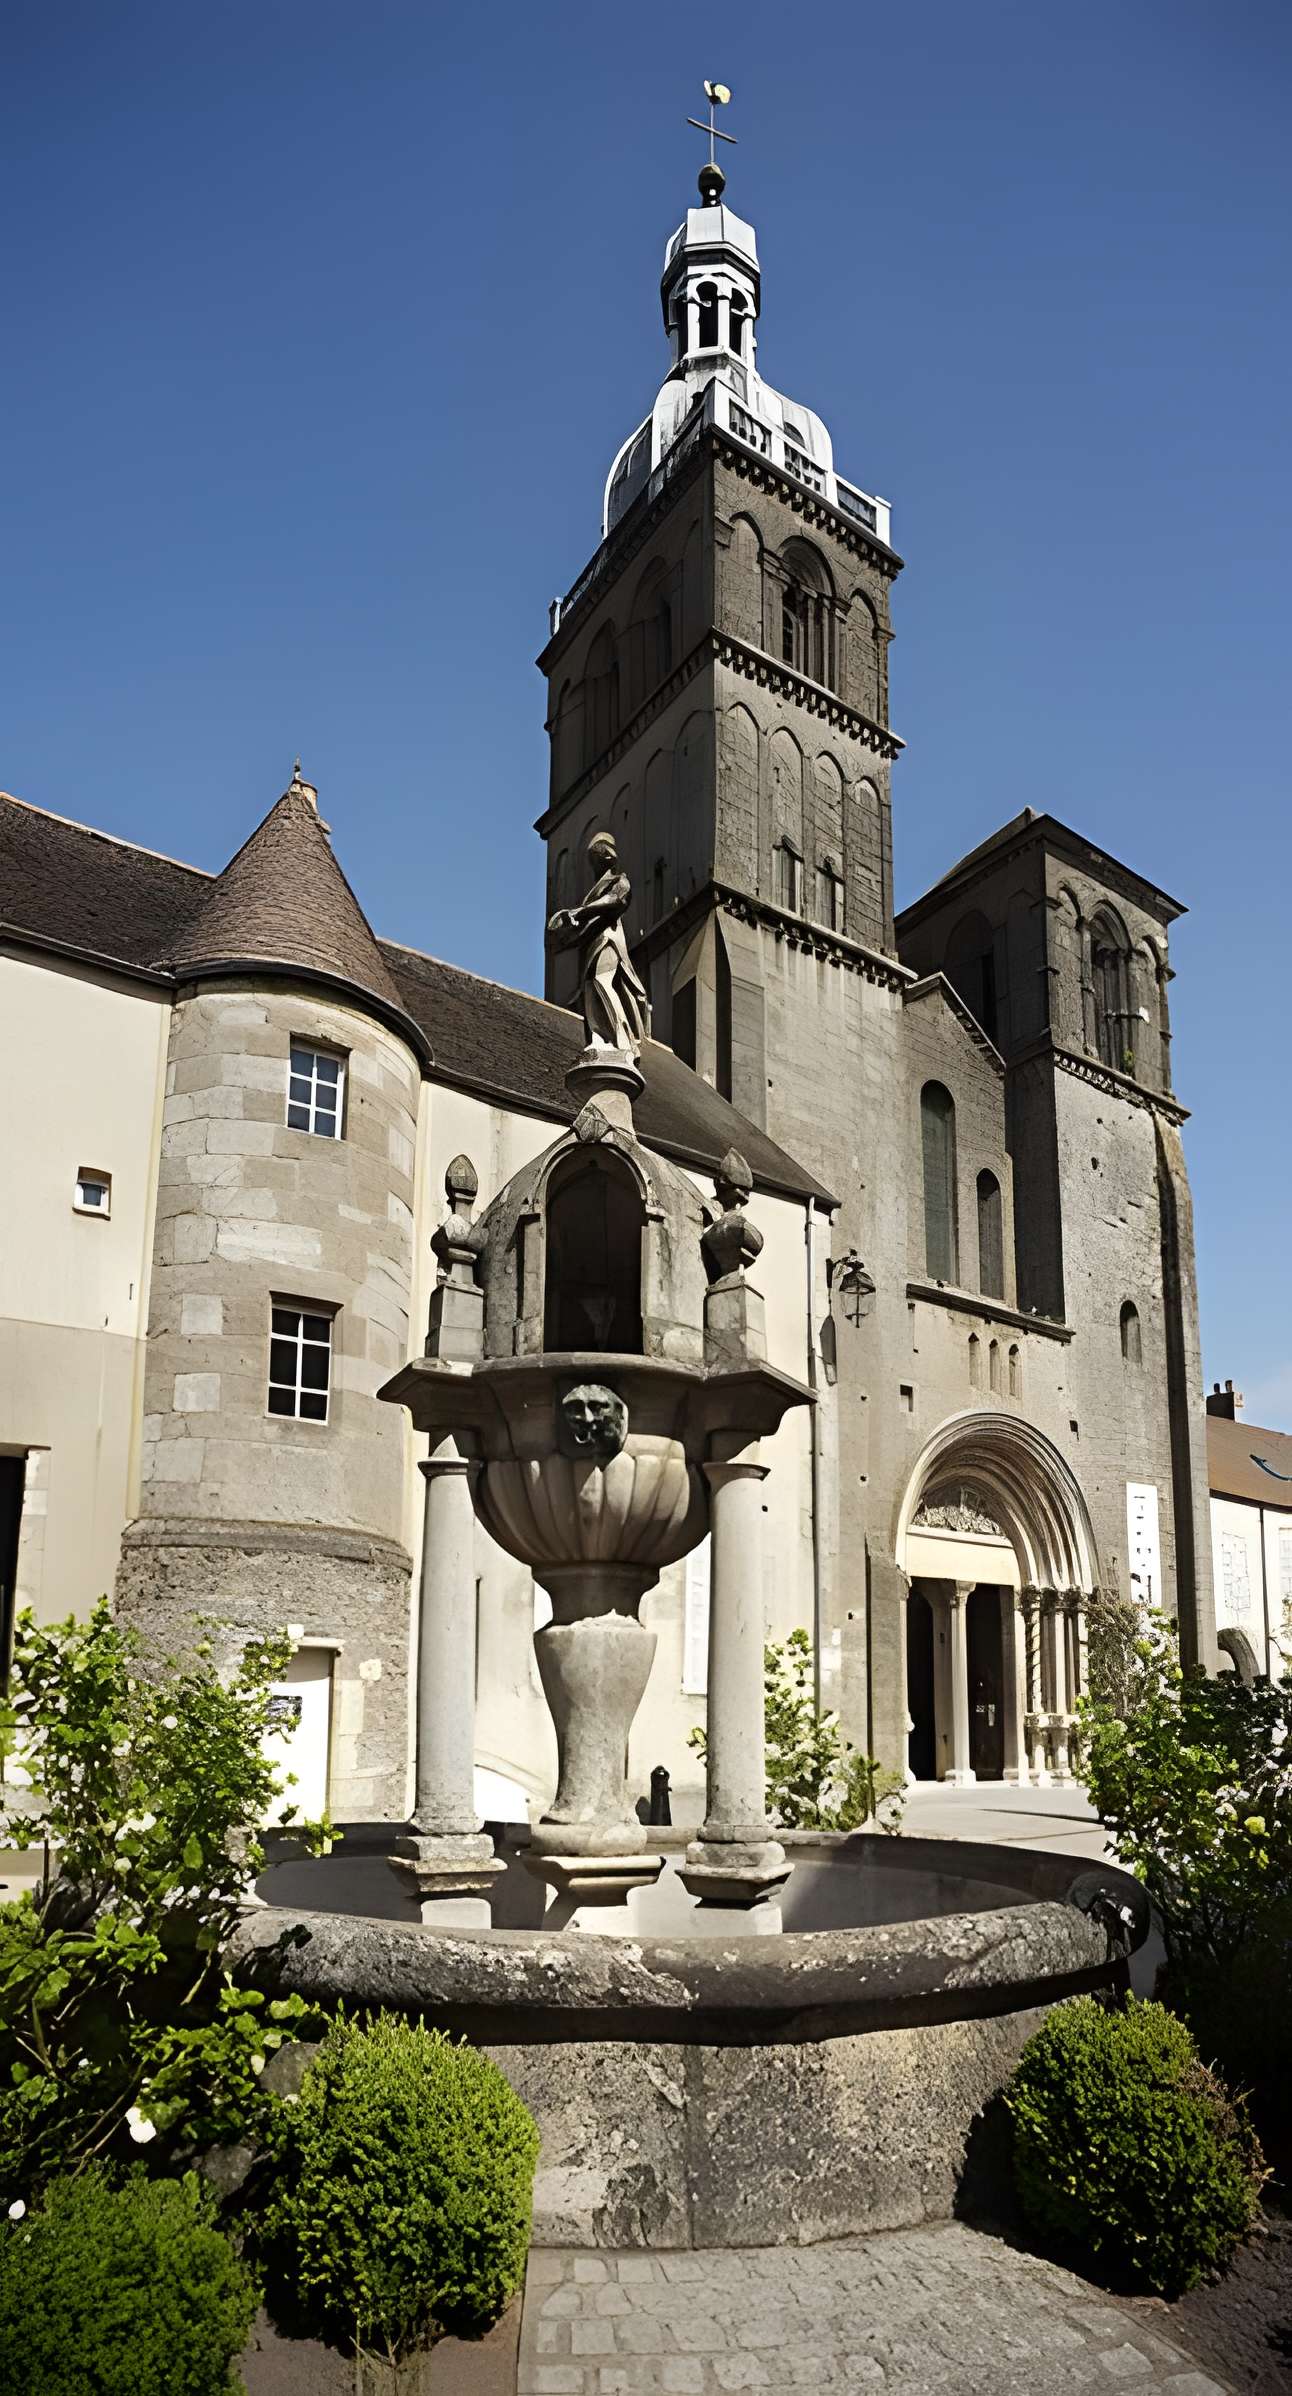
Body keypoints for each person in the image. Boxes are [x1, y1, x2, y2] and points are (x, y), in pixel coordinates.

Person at [548, 831, 649, 1056]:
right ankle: (600, 1037)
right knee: (590, 990)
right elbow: (582, 927)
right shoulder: (593, 892)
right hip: (593, 943)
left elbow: (616, 900)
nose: (594, 865)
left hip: (608, 940)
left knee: (601, 981)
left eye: (596, 859)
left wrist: (580, 911)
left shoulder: (618, 880)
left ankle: (622, 1042)